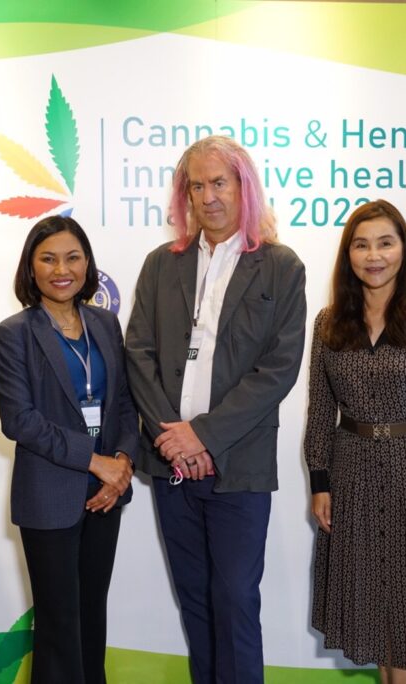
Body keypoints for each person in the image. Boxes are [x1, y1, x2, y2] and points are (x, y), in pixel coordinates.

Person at [125, 135, 306, 684]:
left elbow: (278, 369)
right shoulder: (162, 264)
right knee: (195, 602)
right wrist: (173, 440)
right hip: (171, 466)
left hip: (239, 467)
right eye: (197, 186)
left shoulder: (279, 266)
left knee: (235, 602)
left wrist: (202, 436)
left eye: (219, 183)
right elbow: (139, 353)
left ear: (243, 187)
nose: (208, 197)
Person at [305, 199, 406, 683]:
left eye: (385, 243)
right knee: (374, 612)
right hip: (351, 474)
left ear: (404, 249)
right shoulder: (329, 322)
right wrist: (319, 481)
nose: (373, 256)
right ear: (348, 255)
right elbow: (321, 411)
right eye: (361, 245)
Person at [0, 216, 137, 684]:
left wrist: (122, 464)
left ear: (87, 264)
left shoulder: (105, 324)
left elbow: (124, 403)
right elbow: (20, 420)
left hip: (106, 493)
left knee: (93, 615)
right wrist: (96, 462)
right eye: (48, 258)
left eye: (73, 257)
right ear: (30, 267)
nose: (62, 269)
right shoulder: (13, 333)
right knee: (58, 624)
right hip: (49, 494)